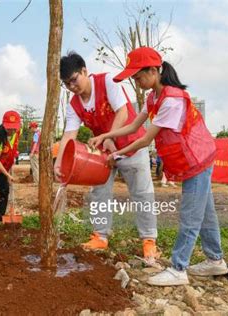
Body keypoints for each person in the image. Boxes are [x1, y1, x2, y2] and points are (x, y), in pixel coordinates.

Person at [90, 47, 228, 286]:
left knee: (191, 214)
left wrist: (116, 154)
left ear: (154, 71)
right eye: (133, 77)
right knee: (205, 212)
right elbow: (134, 126)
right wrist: (106, 136)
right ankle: (215, 260)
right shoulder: (153, 97)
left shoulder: (172, 100)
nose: (137, 80)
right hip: (191, 159)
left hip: (197, 158)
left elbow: (144, 139)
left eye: (139, 75)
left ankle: (178, 268)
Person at [55, 51, 159, 264]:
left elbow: (122, 112)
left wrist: (110, 137)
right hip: (103, 154)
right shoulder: (74, 104)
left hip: (132, 146)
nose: (72, 86)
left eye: (74, 80)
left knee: (142, 194)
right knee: (99, 194)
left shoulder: (108, 81)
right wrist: (58, 161)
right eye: (67, 84)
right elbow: (70, 134)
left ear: (84, 71)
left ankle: (149, 241)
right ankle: (100, 236)